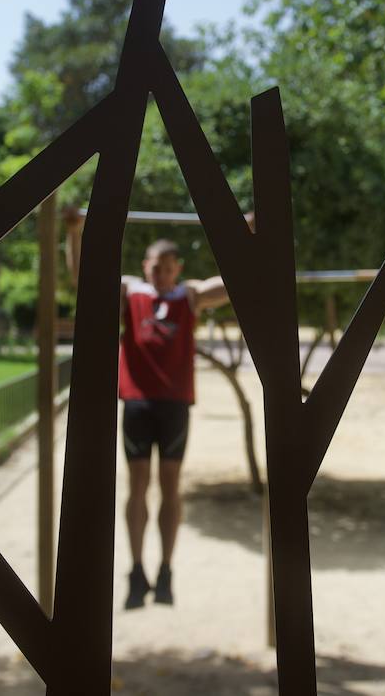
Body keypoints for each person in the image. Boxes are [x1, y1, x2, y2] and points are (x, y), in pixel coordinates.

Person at [118, 237, 229, 609]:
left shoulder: (189, 295)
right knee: (137, 486)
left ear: (177, 269)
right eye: (155, 266)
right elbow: (79, 277)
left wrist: (241, 234)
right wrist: (73, 233)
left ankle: (166, 569)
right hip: (136, 403)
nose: (161, 273)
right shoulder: (130, 291)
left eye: (168, 267)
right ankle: (136, 570)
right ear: (145, 264)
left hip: (174, 405)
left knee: (170, 485)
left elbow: (231, 283)